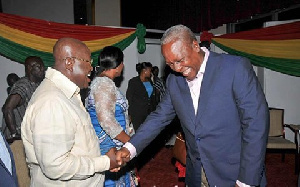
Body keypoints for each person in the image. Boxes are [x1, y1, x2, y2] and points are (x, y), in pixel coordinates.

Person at [117, 24, 269, 187]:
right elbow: (159, 117)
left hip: (234, 173)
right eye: (170, 64)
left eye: (180, 60)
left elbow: (256, 124)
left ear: (195, 46)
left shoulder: (234, 68)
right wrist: (130, 148)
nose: (177, 68)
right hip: (196, 173)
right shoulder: (174, 81)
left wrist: (246, 181)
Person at [21, 38, 122, 186]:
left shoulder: (65, 94)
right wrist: (104, 162)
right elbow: (56, 166)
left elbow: (76, 148)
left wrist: (101, 157)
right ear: (69, 63)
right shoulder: (52, 101)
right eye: (88, 61)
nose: (92, 68)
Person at [85, 46, 136, 186]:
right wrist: (131, 142)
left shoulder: (103, 82)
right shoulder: (103, 84)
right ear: (118, 65)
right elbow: (107, 121)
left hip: (112, 143)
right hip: (109, 145)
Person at [2, 56, 45, 141]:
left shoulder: (38, 84)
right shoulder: (23, 85)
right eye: (39, 66)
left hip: (28, 137)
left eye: (42, 66)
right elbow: (7, 108)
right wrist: (14, 134)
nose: (42, 69)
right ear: (29, 68)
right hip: (15, 141)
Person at [126, 62, 159, 131]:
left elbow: (151, 97)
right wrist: (129, 114)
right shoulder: (133, 82)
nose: (151, 72)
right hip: (138, 113)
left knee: (150, 133)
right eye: (150, 70)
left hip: (149, 112)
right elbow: (129, 97)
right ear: (145, 70)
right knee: (140, 133)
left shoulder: (149, 81)